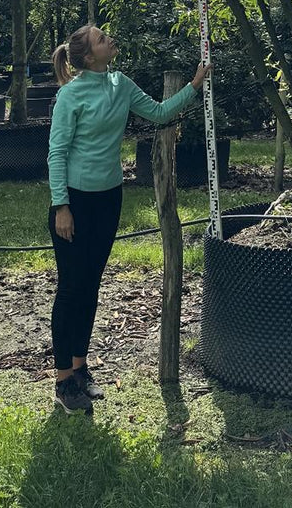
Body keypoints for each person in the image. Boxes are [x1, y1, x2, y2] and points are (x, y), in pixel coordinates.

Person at [47, 22, 212, 414]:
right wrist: (61, 206)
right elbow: (57, 153)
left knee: (90, 285)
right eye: (101, 38)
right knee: (71, 288)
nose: (109, 37)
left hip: (109, 198)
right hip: (74, 202)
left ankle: (80, 369)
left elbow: (157, 113)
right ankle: (61, 381)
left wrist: (194, 85)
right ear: (89, 56)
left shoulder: (121, 85)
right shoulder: (70, 96)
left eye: (107, 33)